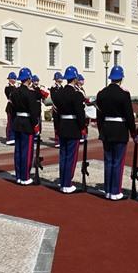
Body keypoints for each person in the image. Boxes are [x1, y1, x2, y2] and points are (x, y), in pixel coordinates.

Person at [95, 65, 138, 200]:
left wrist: (101, 129)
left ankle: (108, 190)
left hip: (106, 129)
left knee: (108, 160)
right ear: (121, 79)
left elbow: (99, 115)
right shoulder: (124, 94)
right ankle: (115, 191)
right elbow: (129, 116)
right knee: (118, 161)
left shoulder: (102, 93)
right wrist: (133, 132)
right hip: (120, 130)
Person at [55, 65, 86, 193]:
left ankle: (63, 182)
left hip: (62, 127)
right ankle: (67, 184)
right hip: (73, 128)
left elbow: (56, 112)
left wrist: (57, 127)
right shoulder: (77, 94)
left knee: (63, 156)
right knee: (71, 157)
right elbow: (80, 114)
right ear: (74, 79)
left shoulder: (59, 93)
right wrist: (82, 127)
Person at [9, 68, 40, 185]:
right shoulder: (30, 93)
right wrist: (36, 125)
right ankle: (25, 177)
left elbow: (11, 109)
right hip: (27, 123)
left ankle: (18, 176)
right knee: (27, 151)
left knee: (18, 151)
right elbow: (34, 112)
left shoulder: (14, 92)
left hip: (17, 122)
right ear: (28, 79)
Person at [50, 71, 64, 147]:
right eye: (60, 78)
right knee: (57, 125)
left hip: (61, 108)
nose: (61, 79)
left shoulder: (62, 87)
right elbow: (54, 98)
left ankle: (61, 140)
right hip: (56, 108)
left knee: (61, 125)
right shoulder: (53, 87)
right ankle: (57, 141)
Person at [4, 71, 18, 145]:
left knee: (15, 123)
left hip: (15, 108)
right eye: (13, 78)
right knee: (10, 123)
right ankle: (9, 137)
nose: (15, 80)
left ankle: (14, 137)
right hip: (10, 107)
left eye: (15, 79)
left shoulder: (15, 87)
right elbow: (10, 95)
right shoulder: (8, 87)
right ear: (10, 79)